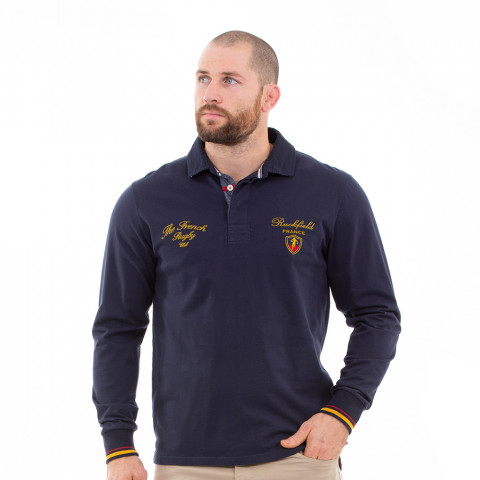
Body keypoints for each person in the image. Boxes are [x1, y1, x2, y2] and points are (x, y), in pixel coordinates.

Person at [92, 30, 401, 480]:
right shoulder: (146, 201)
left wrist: (344, 411)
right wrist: (118, 445)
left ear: (268, 97)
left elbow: (377, 316)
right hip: (184, 462)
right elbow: (117, 329)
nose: (210, 93)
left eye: (230, 80)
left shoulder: (332, 193)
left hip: (298, 456)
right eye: (203, 78)